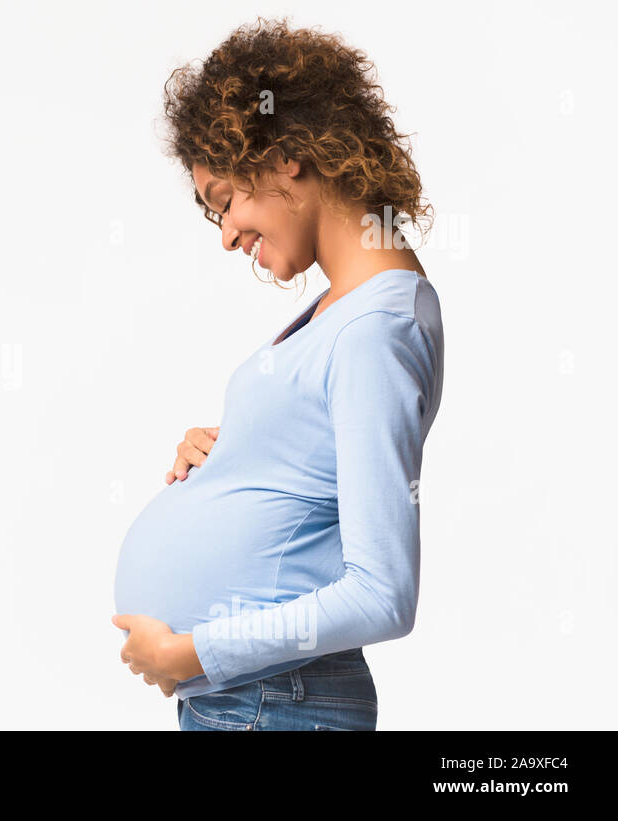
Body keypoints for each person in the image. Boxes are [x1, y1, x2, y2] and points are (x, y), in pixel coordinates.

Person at [111, 16, 444, 731]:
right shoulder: (344, 312)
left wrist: (194, 651)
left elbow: (382, 594)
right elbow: (308, 472)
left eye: (225, 200)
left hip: (273, 700)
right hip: (259, 700)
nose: (227, 234)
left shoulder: (374, 328)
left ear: (287, 155)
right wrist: (223, 460)